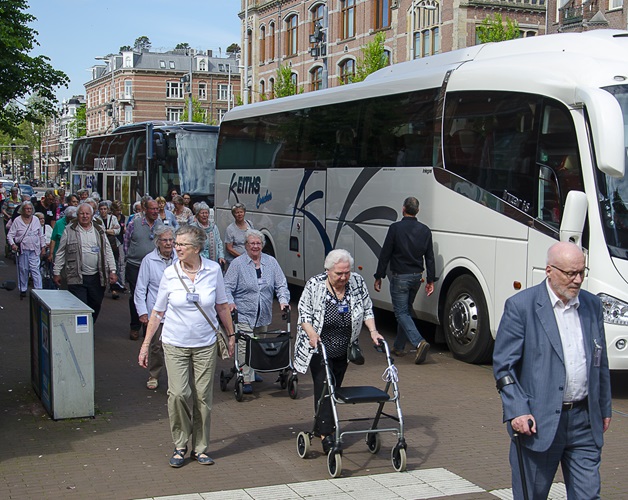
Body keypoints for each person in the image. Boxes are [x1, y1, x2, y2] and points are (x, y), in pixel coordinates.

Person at [493, 241, 612, 499]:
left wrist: (604, 405)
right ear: (549, 270)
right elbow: (504, 366)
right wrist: (517, 410)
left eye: (582, 272)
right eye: (571, 273)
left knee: (588, 495)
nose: (578, 280)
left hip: (583, 420)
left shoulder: (592, 306)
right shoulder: (521, 307)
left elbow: (599, 361)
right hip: (539, 422)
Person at [137, 225, 235, 468]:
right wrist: (146, 344)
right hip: (174, 343)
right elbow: (158, 312)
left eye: (182, 244)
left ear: (197, 248)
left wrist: (231, 335)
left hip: (205, 344)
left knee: (203, 397)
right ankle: (180, 444)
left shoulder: (213, 270)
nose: (176, 247)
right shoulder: (170, 273)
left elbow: (222, 306)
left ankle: (200, 448)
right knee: (179, 394)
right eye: (176, 243)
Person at [294, 249, 384, 453]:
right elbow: (304, 314)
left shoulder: (357, 282)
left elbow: (367, 308)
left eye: (347, 273)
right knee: (325, 387)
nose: (344, 277)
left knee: (333, 389)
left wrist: (373, 331)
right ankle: (327, 434)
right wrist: (312, 334)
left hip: (343, 348)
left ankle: (319, 426)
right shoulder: (315, 285)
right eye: (339, 274)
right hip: (317, 347)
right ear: (328, 271)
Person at [224, 229, 290, 394]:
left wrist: (283, 300)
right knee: (245, 345)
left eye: (258, 243)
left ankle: (252, 370)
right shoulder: (238, 264)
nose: (255, 246)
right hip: (244, 312)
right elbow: (226, 287)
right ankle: (245, 378)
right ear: (246, 245)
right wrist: (230, 303)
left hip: (264, 313)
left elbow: (281, 284)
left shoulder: (271, 262)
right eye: (252, 243)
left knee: (258, 343)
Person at [373, 196, 435, 363]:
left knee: (401, 312)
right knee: (405, 311)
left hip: (400, 276)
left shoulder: (395, 228)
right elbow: (429, 257)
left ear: (403, 209)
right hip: (416, 278)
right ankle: (399, 347)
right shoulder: (425, 230)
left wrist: (379, 276)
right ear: (418, 211)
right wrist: (430, 280)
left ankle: (419, 342)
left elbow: (385, 253)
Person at [53, 203, 118, 323]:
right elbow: (61, 252)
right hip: (77, 276)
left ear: (92, 215)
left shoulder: (99, 230)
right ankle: (83, 332)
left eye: (87, 213)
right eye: (82, 213)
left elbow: (107, 251)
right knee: (81, 306)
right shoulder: (69, 230)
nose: (84, 216)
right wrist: (56, 272)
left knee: (96, 304)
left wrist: (113, 270)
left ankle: (90, 326)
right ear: (77, 215)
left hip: (97, 277)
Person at [134, 225, 176, 390]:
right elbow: (141, 288)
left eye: (171, 240)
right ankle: (154, 375)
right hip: (156, 311)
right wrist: (142, 312)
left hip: (177, 311)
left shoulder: (180, 259)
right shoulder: (148, 260)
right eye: (164, 240)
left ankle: (176, 378)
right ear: (157, 242)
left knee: (176, 347)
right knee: (156, 347)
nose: (168, 243)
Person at [124, 198, 164, 340]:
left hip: (154, 265)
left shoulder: (161, 225)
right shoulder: (134, 224)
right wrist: (130, 257)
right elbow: (126, 243)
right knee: (137, 295)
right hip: (136, 265)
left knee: (152, 295)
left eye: (157, 209)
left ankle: (149, 325)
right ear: (145, 210)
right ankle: (135, 326)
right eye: (152, 209)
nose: (155, 212)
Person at [7, 201, 46, 299]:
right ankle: (23, 289)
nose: (28, 211)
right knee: (23, 270)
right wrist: (13, 244)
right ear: (22, 210)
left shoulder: (36, 220)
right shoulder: (17, 220)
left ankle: (39, 290)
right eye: (26, 209)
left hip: (35, 249)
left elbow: (40, 235)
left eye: (30, 209)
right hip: (23, 249)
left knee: (35, 270)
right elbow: (10, 235)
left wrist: (43, 247)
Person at [99, 201, 122, 299]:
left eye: (105, 209)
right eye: (101, 209)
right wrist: (110, 230)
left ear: (108, 210)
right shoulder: (96, 219)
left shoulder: (113, 218)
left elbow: (117, 231)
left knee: (114, 265)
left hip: (113, 245)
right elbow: (99, 231)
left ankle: (114, 288)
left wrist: (106, 231)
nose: (103, 211)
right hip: (101, 245)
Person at [191, 202, 225, 267]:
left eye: (206, 213)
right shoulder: (193, 228)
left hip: (214, 260)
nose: (204, 215)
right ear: (197, 215)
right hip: (199, 262)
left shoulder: (214, 227)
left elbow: (219, 242)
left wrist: (221, 256)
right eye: (202, 213)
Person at [2, 187, 21, 257]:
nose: (15, 194)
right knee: (8, 234)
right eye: (13, 193)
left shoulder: (20, 200)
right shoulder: (8, 200)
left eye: (16, 193)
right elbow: (3, 209)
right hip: (8, 220)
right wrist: (7, 215)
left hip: (16, 220)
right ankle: (8, 249)